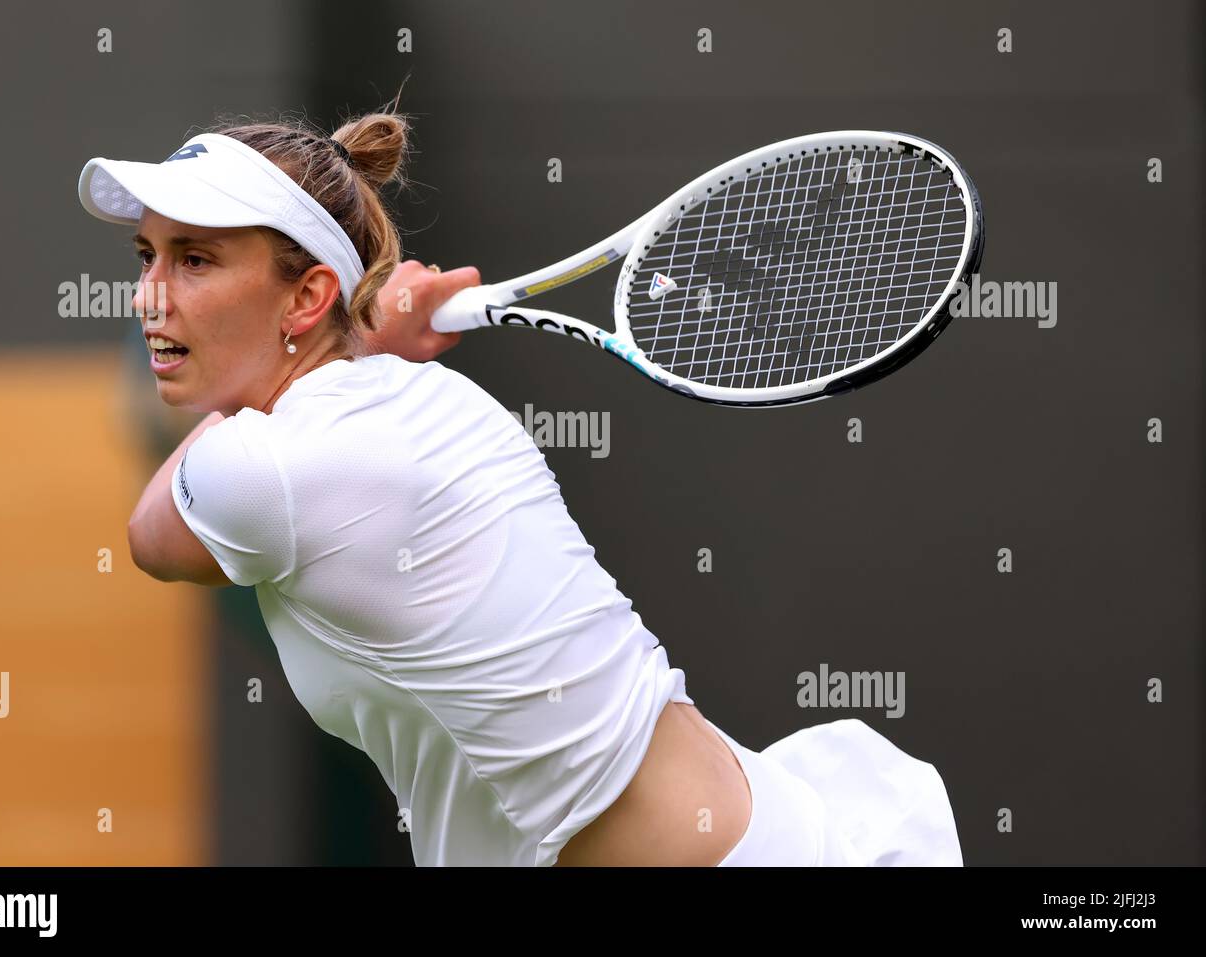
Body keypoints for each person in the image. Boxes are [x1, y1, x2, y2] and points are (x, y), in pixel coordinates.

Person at [77, 107, 963, 866]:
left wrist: (363, 335)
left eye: (193, 261)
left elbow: (153, 537)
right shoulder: (408, 394)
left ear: (307, 296)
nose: (150, 298)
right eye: (145, 257)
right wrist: (358, 340)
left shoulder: (267, 469)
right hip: (757, 823)